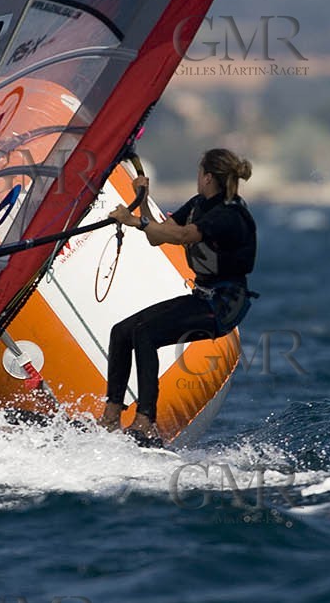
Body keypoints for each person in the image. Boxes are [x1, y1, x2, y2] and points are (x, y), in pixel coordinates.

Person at [100, 149, 258, 445]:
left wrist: (133, 221)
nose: (197, 178)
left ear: (207, 177)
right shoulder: (199, 204)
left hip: (224, 305)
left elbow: (185, 236)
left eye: (199, 172)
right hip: (203, 297)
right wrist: (143, 201)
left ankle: (145, 421)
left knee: (145, 334)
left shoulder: (229, 214)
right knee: (121, 332)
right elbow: (158, 236)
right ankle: (111, 416)